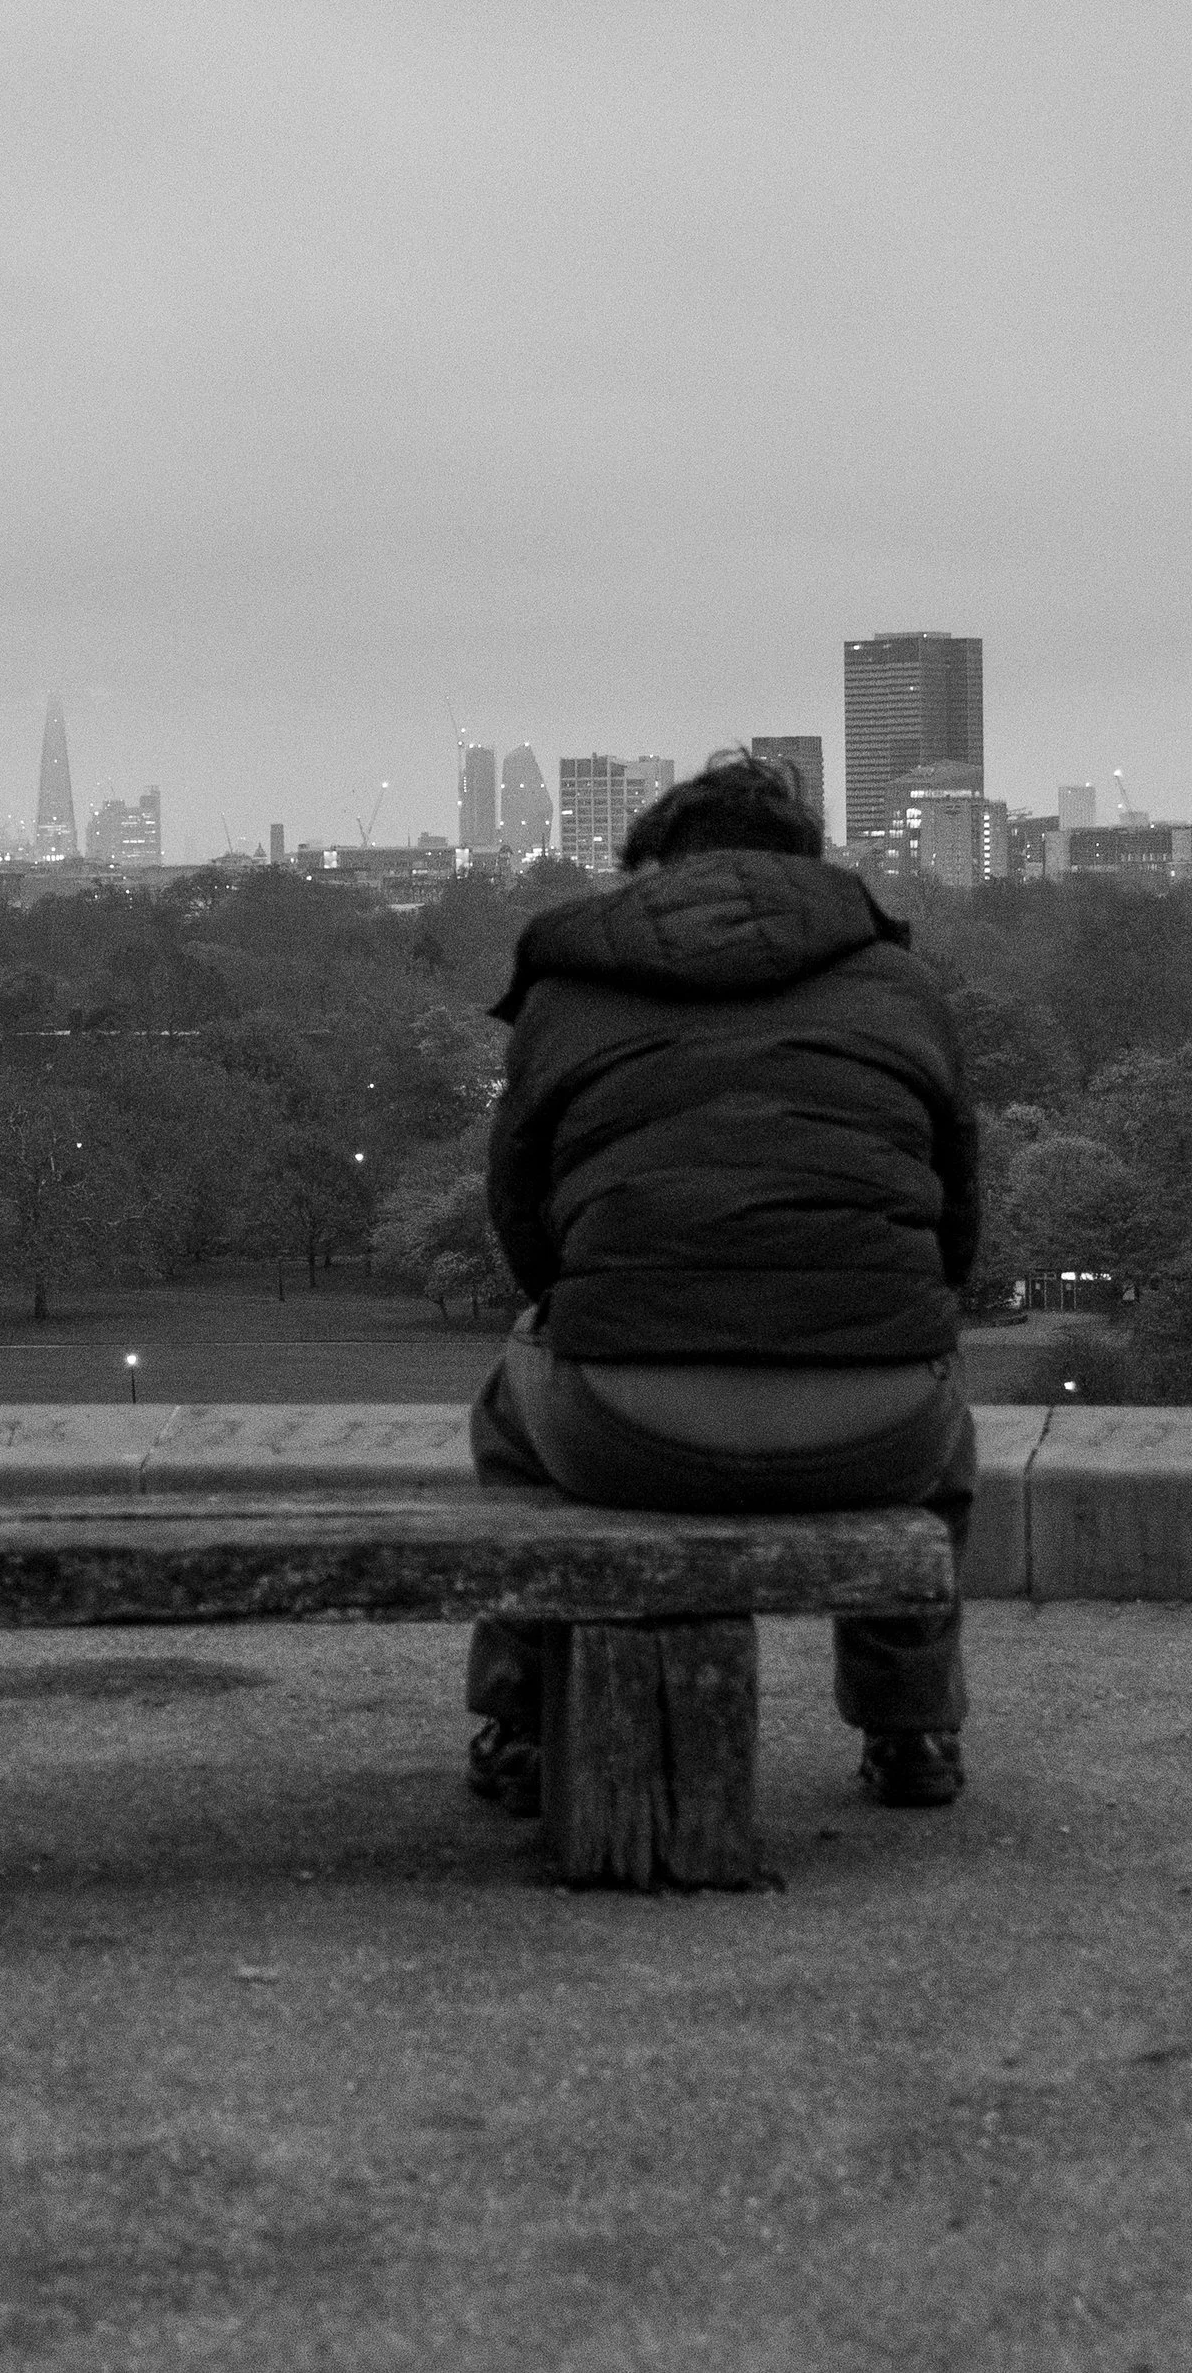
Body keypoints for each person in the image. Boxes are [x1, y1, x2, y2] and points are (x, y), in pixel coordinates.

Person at [466, 751, 979, 1814]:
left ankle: (515, 1719)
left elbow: (521, 1219)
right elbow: (953, 1216)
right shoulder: (901, 985)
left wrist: (589, 1306)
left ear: (650, 864)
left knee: (506, 1406)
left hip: (625, 1419)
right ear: (811, 862)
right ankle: (912, 1725)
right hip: (875, 1421)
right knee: (946, 1426)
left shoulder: (569, 988)